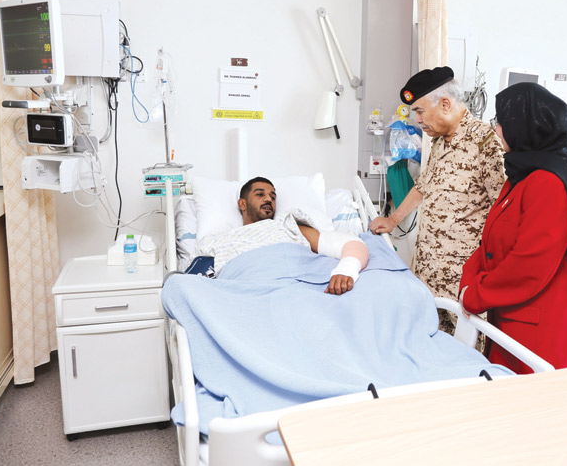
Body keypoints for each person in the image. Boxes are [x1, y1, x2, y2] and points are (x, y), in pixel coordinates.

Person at [458, 83, 567, 373]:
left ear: (524, 127)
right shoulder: (522, 174)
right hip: (513, 316)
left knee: (532, 399)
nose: (497, 130)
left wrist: (475, 294)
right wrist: (469, 279)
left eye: (501, 122)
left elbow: (529, 265)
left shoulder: (549, 183)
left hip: (541, 330)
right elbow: (491, 242)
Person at [369, 66, 505, 331]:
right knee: (429, 338)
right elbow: (423, 186)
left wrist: (491, 272)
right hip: (428, 270)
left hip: (462, 279)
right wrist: (392, 220)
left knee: (466, 346)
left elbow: (502, 209)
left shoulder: (486, 142)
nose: (418, 119)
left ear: (445, 104)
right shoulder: (439, 142)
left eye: (420, 111)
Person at [198, 177, 369, 295]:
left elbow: (351, 244)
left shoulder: (288, 226)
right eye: (260, 194)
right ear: (242, 204)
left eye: (273, 197)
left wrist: (346, 270)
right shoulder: (218, 240)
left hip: (297, 291)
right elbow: (197, 280)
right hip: (245, 293)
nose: (268, 199)